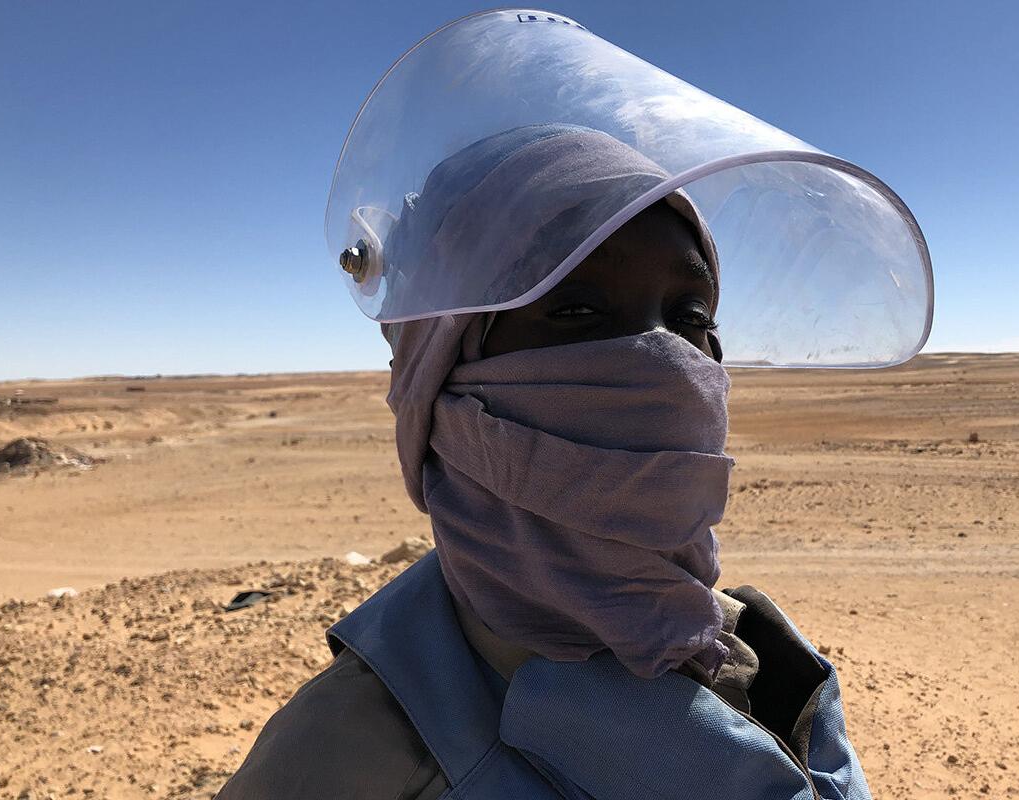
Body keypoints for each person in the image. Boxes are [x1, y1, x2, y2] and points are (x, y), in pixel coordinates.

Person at [217, 124, 872, 800]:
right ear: (443, 378)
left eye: (689, 314)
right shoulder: (343, 762)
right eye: (577, 309)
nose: (667, 360)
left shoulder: (742, 649)